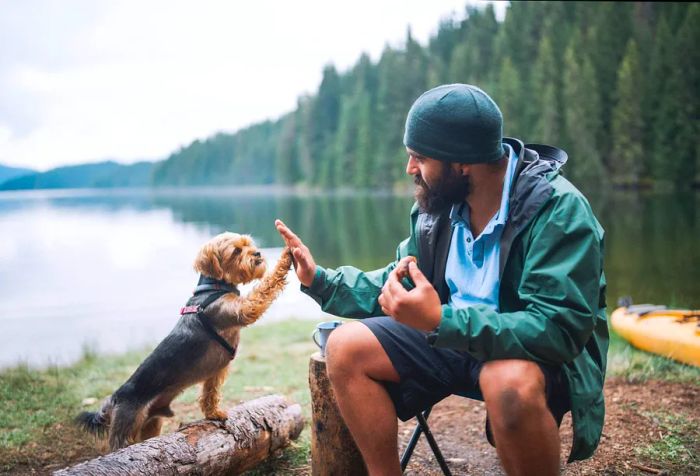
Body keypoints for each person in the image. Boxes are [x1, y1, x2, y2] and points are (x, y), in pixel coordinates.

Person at [275, 83, 608, 476]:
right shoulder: (437, 208)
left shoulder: (558, 211)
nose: (410, 169)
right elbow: (396, 280)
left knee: (508, 383)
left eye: (419, 157)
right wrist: (321, 281)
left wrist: (440, 321)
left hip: (530, 356)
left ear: (462, 162)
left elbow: (558, 330)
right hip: (451, 338)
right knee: (346, 347)